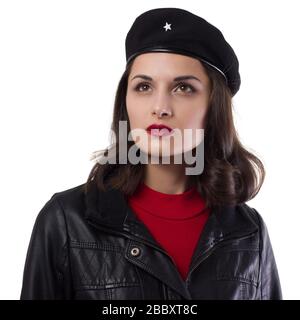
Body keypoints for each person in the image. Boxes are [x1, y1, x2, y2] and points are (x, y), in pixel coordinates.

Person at [20, 7, 282, 300]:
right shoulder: (65, 222)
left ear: (213, 106)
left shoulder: (248, 231)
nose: (160, 107)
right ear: (126, 101)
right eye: (143, 86)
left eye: (183, 87)